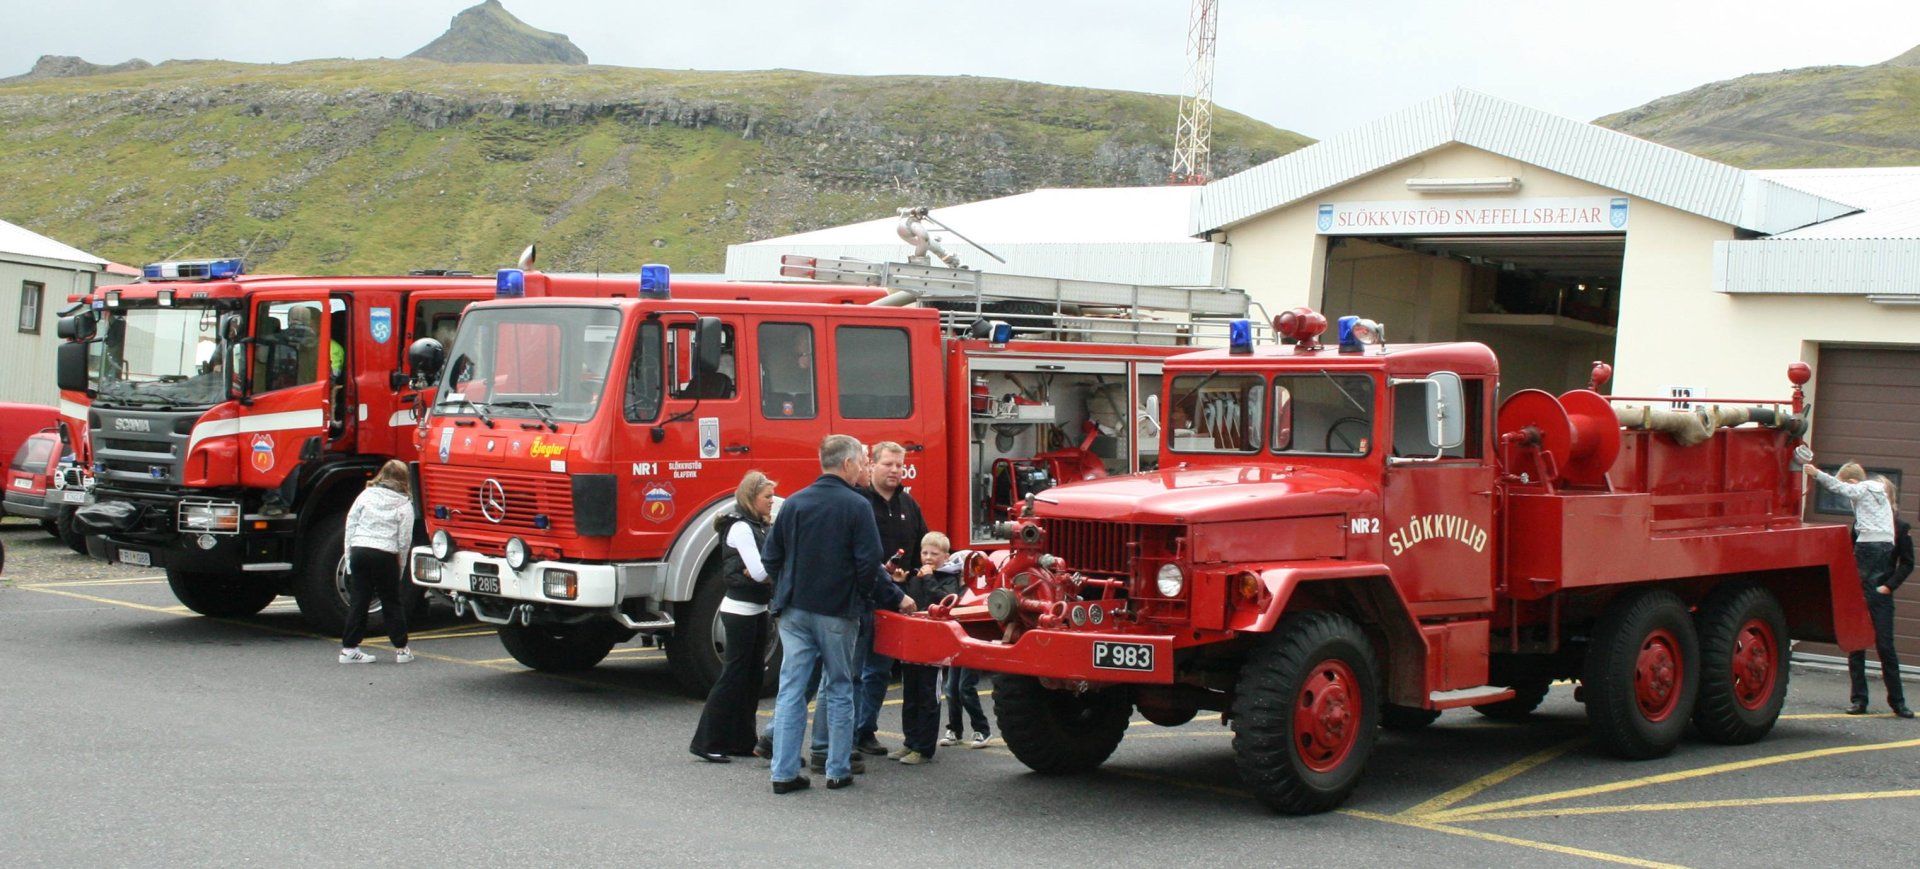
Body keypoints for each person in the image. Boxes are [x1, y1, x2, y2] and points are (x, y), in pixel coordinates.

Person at [762, 435, 915, 793]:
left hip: (794, 611)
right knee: (840, 686)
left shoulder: (795, 503)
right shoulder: (857, 506)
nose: (864, 466)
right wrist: (878, 597)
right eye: (861, 461)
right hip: (838, 612)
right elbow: (869, 564)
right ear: (846, 465)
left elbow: (771, 557)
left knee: (791, 691)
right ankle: (836, 768)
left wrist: (790, 585)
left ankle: (782, 773)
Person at [1805, 460, 1912, 717]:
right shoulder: (1861, 524)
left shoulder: (1900, 528)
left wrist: (1888, 586)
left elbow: (1907, 564)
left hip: (1881, 594)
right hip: (1862, 590)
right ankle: (1859, 700)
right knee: (1857, 646)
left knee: (1886, 647)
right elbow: (1853, 554)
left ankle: (1898, 702)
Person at [689, 471, 778, 762]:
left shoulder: (759, 526)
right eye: (767, 497)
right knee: (732, 677)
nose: (771, 502)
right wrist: (763, 572)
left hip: (757, 610)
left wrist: (761, 572)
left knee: (753, 678)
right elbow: (762, 570)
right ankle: (706, 741)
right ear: (751, 498)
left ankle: (742, 740)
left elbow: (761, 571)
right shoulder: (740, 527)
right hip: (739, 613)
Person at [857, 441, 929, 759]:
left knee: (879, 671)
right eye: (888, 464)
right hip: (861, 600)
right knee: (852, 671)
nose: (895, 471)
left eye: (900, 465)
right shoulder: (859, 503)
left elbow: (921, 552)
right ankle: (844, 734)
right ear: (871, 465)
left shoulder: (909, 506)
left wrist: (916, 573)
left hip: (895, 601)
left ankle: (864, 730)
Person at [894, 531, 963, 762]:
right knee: (910, 695)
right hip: (913, 643)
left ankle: (923, 748)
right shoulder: (916, 576)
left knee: (928, 697)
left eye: (934, 554)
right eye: (924, 553)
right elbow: (909, 604)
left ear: (945, 556)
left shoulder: (948, 578)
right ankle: (909, 741)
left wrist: (930, 577)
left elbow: (944, 601)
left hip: (933, 648)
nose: (928, 558)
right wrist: (901, 585)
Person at [338, 460, 416, 664]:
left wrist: (348, 557)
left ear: (382, 474)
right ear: (403, 479)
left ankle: (349, 649)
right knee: (391, 601)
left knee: (359, 601)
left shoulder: (365, 495)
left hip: (359, 550)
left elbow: (351, 524)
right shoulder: (404, 504)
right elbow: (404, 540)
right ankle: (401, 649)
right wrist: (400, 567)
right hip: (385, 553)